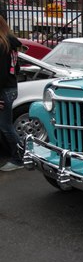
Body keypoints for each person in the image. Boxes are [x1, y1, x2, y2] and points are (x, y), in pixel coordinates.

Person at [0, 15, 24, 171]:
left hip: (4, 90)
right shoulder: (11, 43)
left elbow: (1, 74)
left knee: (5, 126)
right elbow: (17, 69)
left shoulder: (2, 44)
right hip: (10, 87)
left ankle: (19, 158)